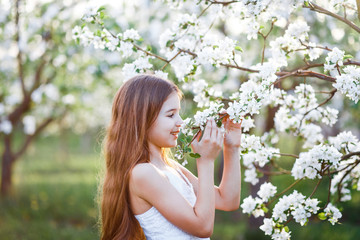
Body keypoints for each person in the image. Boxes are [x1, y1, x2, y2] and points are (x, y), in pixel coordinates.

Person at [100, 74, 241, 240]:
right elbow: (203, 227)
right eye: (170, 115)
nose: (180, 122)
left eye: (179, 113)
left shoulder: (169, 167)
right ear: (142, 119)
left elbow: (227, 201)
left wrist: (232, 148)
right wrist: (205, 161)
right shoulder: (143, 173)